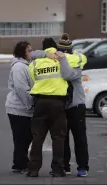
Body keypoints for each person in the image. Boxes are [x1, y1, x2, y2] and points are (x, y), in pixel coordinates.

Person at [27, 45, 82, 177]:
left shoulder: (35, 63)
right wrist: (62, 57)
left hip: (40, 102)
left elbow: (32, 78)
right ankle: (57, 169)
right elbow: (82, 58)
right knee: (58, 138)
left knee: (37, 137)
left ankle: (33, 169)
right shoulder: (63, 61)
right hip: (58, 103)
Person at [5, 41, 58, 173]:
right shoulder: (19, 67)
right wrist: (30, 104)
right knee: (21, 137)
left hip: (24, 109)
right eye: (28, 50)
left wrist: (47, 54)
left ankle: (21, 162)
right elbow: (21, 88)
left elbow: (37, 54)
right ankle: (19, 164)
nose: (31, 53)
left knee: (26, 137)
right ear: (21, 52)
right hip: (18, 108)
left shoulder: (26, 64)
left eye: (31, 49)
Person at [58, 34, 89, 177]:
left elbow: (68, 75)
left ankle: (82, 167)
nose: (64, 53)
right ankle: (65, 165)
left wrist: (62, 59)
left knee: (80, 138)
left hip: (76, 106)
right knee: (63, 139)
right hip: (62, 107)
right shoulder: (54, 62)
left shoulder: (76, 62)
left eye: (65, 51)